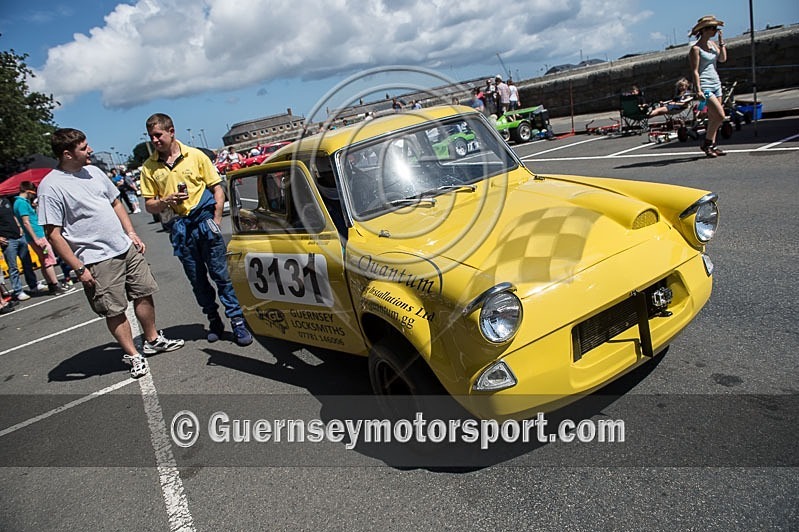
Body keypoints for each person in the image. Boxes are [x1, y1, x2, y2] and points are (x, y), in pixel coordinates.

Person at [37, 128, 184, 378]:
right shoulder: (50, 187)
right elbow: (53, 234)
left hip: (124, 248)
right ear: (67, 154)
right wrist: (78, 268)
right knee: (114, 310)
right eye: (83, 148)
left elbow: (116, 202)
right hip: (95, 259)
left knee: (145, 293)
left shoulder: (94, 172)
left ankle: (152, 339)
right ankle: (134, 355)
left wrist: (131, 233)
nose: (90, 151)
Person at [140, 113, 252, 346]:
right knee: (197, 280)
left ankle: (237, 322)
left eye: (158, 135)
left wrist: (217, 219)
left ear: (171, 131)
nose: (155, 140)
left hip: (204, 222)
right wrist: (166, 200)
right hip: (180, 227)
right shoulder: (149, 167)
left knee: (221, 276)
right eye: (151, 136)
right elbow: (150, 205)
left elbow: (217, 188)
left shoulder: (195, 156)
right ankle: (214, 320)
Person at [13, 181, 71, 295]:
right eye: (32, 193)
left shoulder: (20, 203)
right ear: (28, 191)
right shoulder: (21, 203)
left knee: (45, 260)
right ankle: (55, 285)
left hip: (36, 235)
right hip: (37, 236)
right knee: (48, 260)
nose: (33, 195)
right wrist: (36, 238)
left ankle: (52, 285)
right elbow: (26, 222)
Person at [689, 14, 728, 157]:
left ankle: (712, 145)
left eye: (715, 28)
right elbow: (695, 71)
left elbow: (723, 59)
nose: (714, 31)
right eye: (712, 28)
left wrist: (721, 42)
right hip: (705, 86)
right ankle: (707, 143)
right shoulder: (696, 49)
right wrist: (698, 89)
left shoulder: (713, 45)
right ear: (704, 30)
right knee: (720, 116)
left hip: (716, 83)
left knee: (713, 118)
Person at [0, 195, 37, 300]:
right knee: (13, 267)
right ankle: (18, 291)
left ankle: (33, 285)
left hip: (19, 236)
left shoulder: (5, 201)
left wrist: (19, 227)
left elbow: (13, 216)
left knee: (27, 262)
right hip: (7, 240)